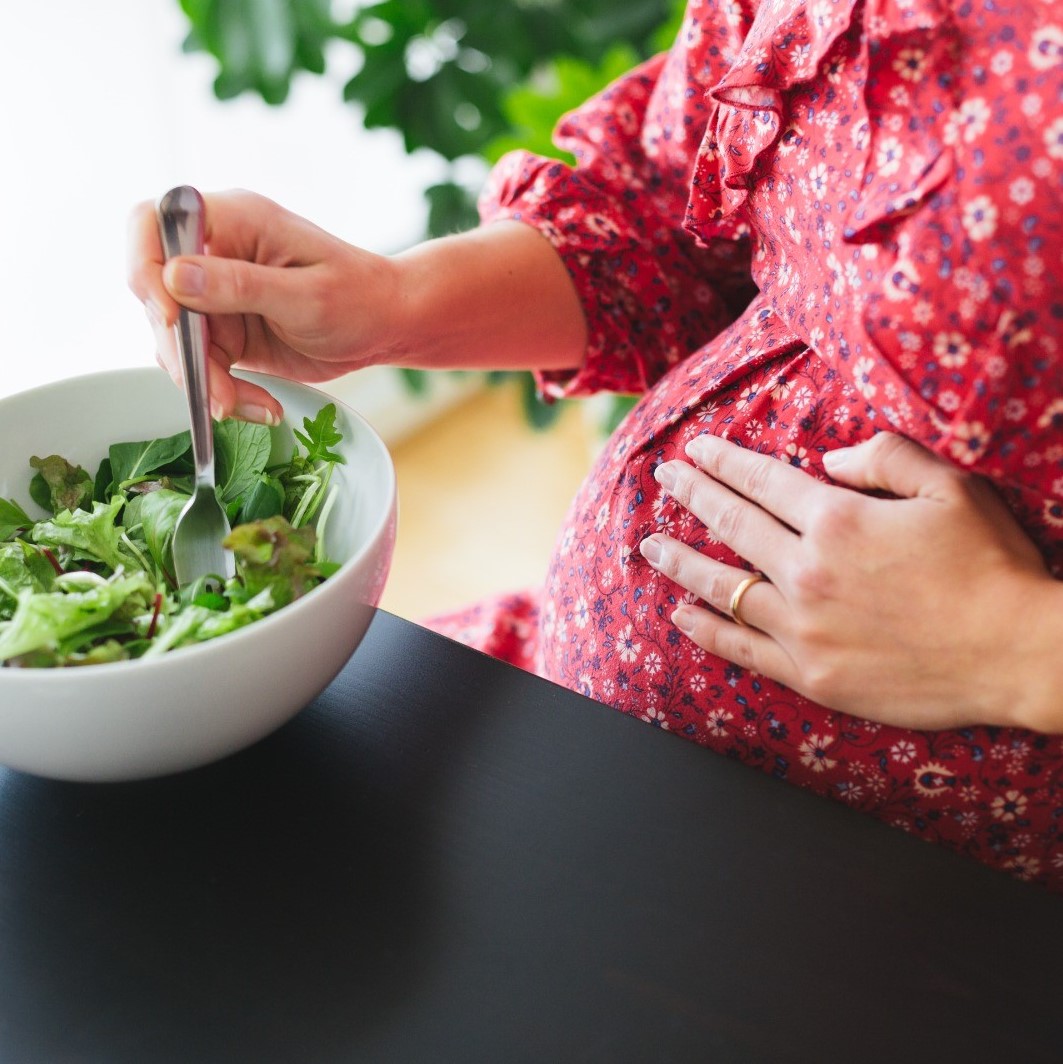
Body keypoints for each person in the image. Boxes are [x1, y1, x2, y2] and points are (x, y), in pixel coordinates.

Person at [129, 0, 1063, 888]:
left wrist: (1012, 647)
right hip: (571, 724)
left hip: (924, 906)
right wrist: (385, 305)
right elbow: (674, 213)